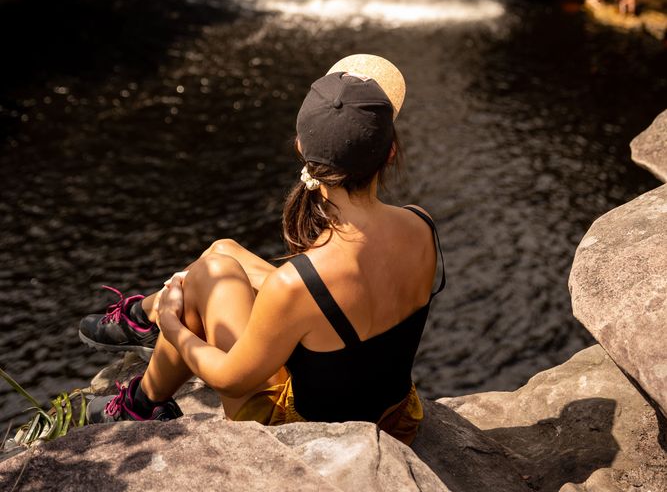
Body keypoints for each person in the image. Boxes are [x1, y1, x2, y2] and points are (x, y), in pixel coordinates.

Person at [82, 54, 445, 445]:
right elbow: (347, 292)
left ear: (302, 149)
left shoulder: (299, 282)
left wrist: (175, 324)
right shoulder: (421, 223)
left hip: (310, 433)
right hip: (396, 413)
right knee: (224, 250)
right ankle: (142, 318)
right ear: (390, 153)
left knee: (207, 276)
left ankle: (144, 387)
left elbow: (230, 378)